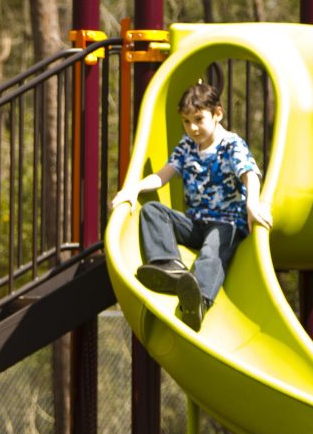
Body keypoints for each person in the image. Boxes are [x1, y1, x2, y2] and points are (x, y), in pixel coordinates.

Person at [112, 81, 271, 330]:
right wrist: (133, 189)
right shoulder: (186, 147)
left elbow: (249, 173)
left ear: (217, 113)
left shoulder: (231, 144)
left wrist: (252, 204)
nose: (193, 128)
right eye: (187, 121)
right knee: (153, 212)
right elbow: (162, 176)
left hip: (227, 223)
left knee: (212, 252)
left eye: (199, 119)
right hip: (196, 222)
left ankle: (199, 302)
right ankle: (168, 264)